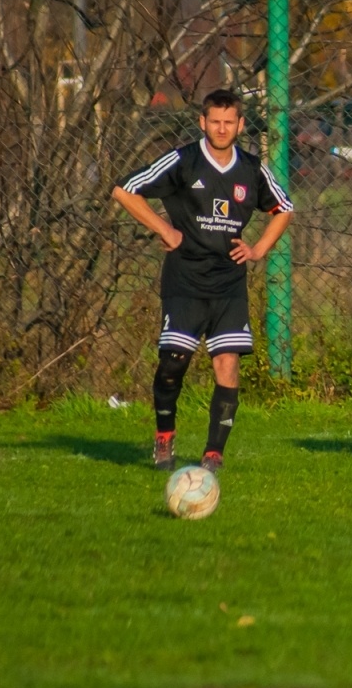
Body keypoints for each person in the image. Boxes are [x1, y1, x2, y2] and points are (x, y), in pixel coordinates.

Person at [111, 88, 294, 473]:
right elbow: (124, 191)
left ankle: (213, 453)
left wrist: (258, 249)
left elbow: (284, 208)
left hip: (228, 285)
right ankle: (164, 436)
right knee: (173, 363)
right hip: (185, 280)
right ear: (203, 123)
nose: (222, 128)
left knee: (227, 365)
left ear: (241, 125)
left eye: (230, 122)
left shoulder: (252, 168)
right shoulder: (183, 161)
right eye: (215, 121)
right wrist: (165, 228)